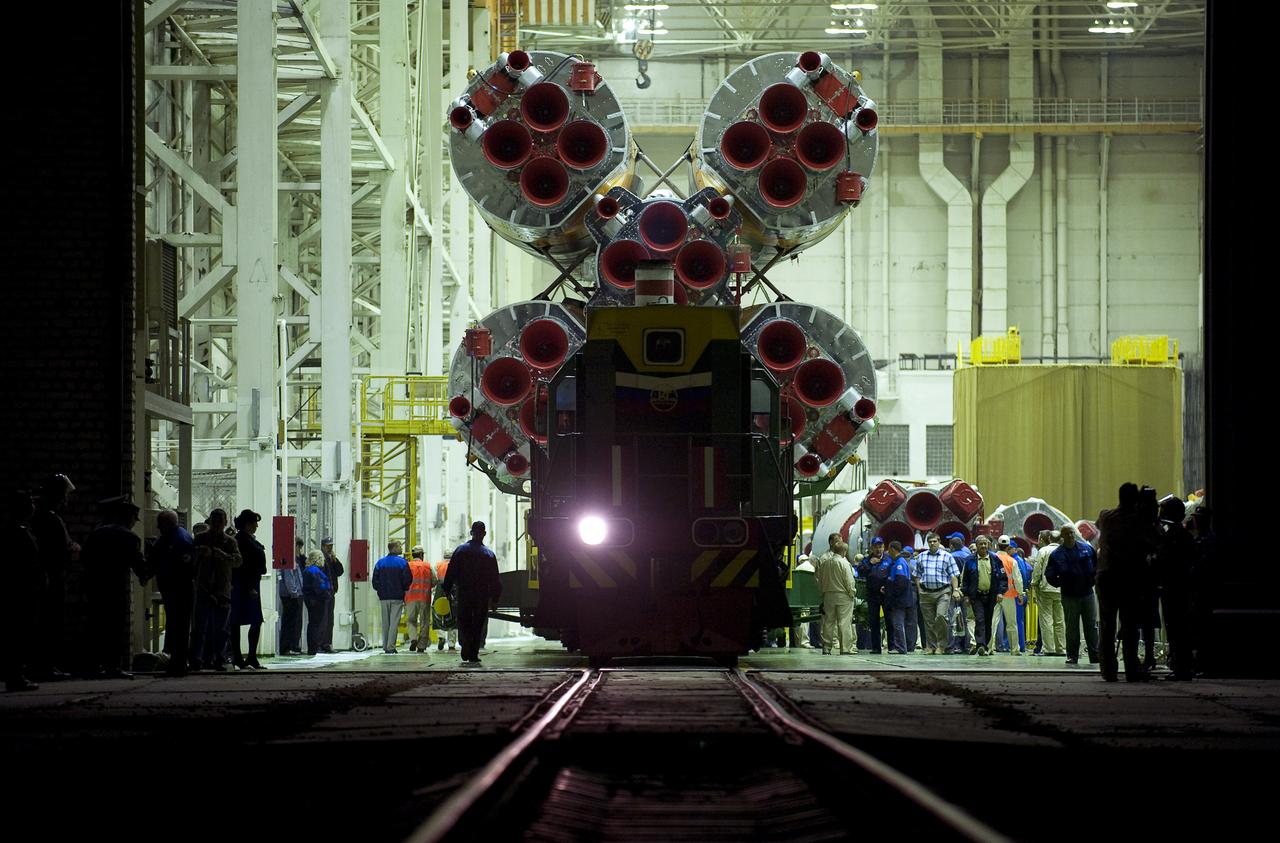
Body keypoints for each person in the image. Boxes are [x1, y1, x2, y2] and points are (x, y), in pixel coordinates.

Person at [1095, 483, 1155, 681]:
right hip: (1129, 577)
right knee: (1129, 626)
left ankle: (1108, 670)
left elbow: (1100, 522)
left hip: (1106, 576)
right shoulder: (1139, 520)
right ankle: (1131, 669)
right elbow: (1151, 541)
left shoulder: (1106, 517)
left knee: (1107, 625)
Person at [81, 496, 147, 679]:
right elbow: (138, 564)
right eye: (134, 519)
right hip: (116, 587)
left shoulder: (97, 532)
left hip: (95, 586)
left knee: (96, 625)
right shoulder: (129, 537)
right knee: (115, 626)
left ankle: (92, 665)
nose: (134, 523)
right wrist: (145, 576)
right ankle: (112, 666)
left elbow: (84, 558)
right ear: (130, 518)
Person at [30, 473, 78, 680]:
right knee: (50, 623)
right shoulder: (50, 518)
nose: (66, 499)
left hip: (48, 577)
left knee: (47, 622)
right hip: (52, 578)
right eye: (64, 495)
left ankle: (45, 665)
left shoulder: (42, 516)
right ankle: (46, 667)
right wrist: (73, 549)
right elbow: (59, 548)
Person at [441, 522, 502, 665]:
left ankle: (465, 644)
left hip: (465, 593)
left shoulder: (460, 551)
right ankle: (473, 653)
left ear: (471, 532)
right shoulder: (488, 554)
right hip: (482, 595)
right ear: (484, 534)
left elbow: (451, 571)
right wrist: (495, 598)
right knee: (478, 622)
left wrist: (447, 589)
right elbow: (495, 579)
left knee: (464, 620)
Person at [2, 490, 44, 691]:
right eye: (30, 504)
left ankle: (16, 673)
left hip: (22, 589)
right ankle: (15, 676)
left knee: (19, 633)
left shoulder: (16, 529)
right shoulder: (17, 531)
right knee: (18, 633)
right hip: (21, 591)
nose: (34, 508)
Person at [191, 509, 242, 671]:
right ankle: (197, 660)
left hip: (221, 589)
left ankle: (218, 658)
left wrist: (221, 555)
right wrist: (199, 555)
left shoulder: (230, 542)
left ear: (225, 522)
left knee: (221, 629)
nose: (217, 524)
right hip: (204, 587)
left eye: (220, 521)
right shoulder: (200, 539)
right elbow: (191, 561)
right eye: (215, 521)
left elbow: (238, 561)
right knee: (200, 627)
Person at [146, 510, 196, 676]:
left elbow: (181, 567)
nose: (158, 528)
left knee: (179, 626)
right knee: (178, 626)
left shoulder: (178, 541)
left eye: (160, 524)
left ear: (167, 524)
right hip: (178, 590)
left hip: (179, 590)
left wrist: (146, 573)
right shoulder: (177, 537)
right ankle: (178, 663)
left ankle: (178, 664)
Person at [1046, 524, 1102, 670]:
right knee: (1072, 628)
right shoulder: (1056, 554)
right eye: (1067, 533)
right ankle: (1072, 656)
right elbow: (1050, 574)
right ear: (1062, 536)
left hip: (1087, 594)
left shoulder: (1087, 548)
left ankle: (1095, 655)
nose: (1071, 535)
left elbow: (1097, 566)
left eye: (1072, 532)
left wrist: (1093, 580)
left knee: (1091, 626)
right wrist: (1061, 583)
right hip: (1069, 596)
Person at [1155, 497, 1196, 680]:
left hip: (1173, 586)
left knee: (1175, 627)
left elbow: (1164, 559)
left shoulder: (1171, 535)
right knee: (1178, 627)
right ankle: (1181, 666)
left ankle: (1181, 667)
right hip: (1180, 586)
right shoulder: (1183, 534)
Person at [913, 532, 961, 655]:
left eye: (935, 541)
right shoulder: (921, 556)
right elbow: (917, 575)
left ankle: (941, 645)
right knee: (928, 621)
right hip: (925, 592)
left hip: (943, 592)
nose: (932, 543)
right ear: (928, 543)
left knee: (940, 617)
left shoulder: (947, 556)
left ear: (939, 542)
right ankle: (931, 646)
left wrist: (955, 590)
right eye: (930, 542)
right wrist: (919, 589)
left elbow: (954, 575)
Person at [229, 510, 266, 670]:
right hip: (245, 585)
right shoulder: (242, 541)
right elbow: (244, 566)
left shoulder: (243, 539)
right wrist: (249, 586)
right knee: (243, 620)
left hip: (246, 584)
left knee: (242, 620)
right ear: (247, 524)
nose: (256, 525)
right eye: (254, 522)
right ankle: (244, 656)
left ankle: (244, 656)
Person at [961, 535, 1007, 657]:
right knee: (979, 619)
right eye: (980, 544)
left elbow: (1003, 578)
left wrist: (1000, 592)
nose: (983, 546)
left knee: (988, 621)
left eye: (985, 544)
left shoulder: (995, 559)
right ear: (976, 546)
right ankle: (980, 645)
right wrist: (965, 595)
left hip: (991, 596)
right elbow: (965, 580)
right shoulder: (969, 560)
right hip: (976, 596)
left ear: (988, 545)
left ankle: (985, 646)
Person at [815, 533, 856, 655]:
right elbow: (849, 581)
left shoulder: (825, 562)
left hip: (828, 595)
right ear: (844, 552)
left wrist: (823, 594)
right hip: (843, 596)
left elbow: (819, 580)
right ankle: (845, 648)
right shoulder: (844, 563)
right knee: (844, 622)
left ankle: (826, 648)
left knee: (828, 622)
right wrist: (852, 593)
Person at [372, 540, 413, 654]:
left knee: (386, 622)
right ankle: (391, 647)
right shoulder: (402, 563)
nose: (401, 548)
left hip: (383, 597)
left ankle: (385, 645)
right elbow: (408, 579)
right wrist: (403, 589)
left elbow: (375, 581)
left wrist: (380, 590)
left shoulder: (380, 563)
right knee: (394, 622)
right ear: (394, 548)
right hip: (397, 597)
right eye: (399, 546)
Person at [1030, 530, 1066, 656]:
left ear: (1049, 539)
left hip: (1045, 588)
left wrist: (1034, 583)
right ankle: (1061, 649)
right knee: (1060, 620)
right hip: (1061, 590)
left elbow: (1038, 569)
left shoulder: (1043, 551)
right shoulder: (1064, 551)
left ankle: (1049, 649)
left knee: (1046, 619)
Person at [854, 537, 889, 654]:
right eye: (876, 546)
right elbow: (860, 571)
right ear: (872, 548)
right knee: (874, 622)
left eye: (880, 546)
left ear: (883, 547)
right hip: (872, 595)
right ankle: (876, 648)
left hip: (885, 595)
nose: (878, 549)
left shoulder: (888, 559)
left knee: (889, 621)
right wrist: (869, 563)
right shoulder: (866, 560)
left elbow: (893, 574)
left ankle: (892, 646)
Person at [992, 536, 1025, 654]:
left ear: (997, 545)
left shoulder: (992, 558)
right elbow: (1018, 580)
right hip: (1010, 596)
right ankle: (1014, 649)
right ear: (1008, 547)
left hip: (994, 596)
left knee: (993, 622)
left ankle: (990, 647)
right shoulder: (1012, 561)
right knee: (1012, 623)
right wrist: (1020, 594)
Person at [404, 545, 436, 652]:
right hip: (424, 598)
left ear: (413, 555)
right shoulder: (427, 566)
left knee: (410, 620)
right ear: (422, 555)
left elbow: (403, 580)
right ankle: (421, 645)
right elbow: (434, 580)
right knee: (425, 621)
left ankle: (413, 638)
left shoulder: (407, 565)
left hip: (410, 598)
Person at [883, 542, 914, 654]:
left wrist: (891, 594)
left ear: (892, 549)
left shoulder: (899, 563)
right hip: (899, 598)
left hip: (899, 600)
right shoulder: (897, 562)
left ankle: (900, 647)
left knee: (898, 623)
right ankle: (900, 646)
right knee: (898, 623)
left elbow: (901, 582)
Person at [946, 533, 973, 653]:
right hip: (967, 591)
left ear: (952, 545)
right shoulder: (969, 555)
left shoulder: (951, 557)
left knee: (955, 618)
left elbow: (952, 575)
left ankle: (955, 644)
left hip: (954, 591)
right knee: (967, 619)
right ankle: (967, 644)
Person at [301, 550, 331, 655]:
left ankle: (312, 647)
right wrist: (326, 595)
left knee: (313, 623)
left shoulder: (308, 570)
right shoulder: (315, 571)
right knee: (316, 624)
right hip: (318, 601)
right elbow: (320, 586)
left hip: (311, 600)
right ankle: (314, 647)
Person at [278, 547, 305, 656]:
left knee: (293, 622)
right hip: (291, 596)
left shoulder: (294, 560)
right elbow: (289, 578)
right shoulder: (288, 560)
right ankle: (286, 647)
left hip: (294, 594)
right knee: (289, 622)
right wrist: (294, 592)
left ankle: (292, 646)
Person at [319, 537, 344, 654]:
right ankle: (322, 644)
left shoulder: (331, 558)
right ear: (323, 546)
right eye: (327, 546)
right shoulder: (320, 558)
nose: (329, 548)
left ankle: (327, 643)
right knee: (323, 619)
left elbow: (340, 571)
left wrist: (335, 559)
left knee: (329, 620)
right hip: (323, 593)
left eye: (331, 546)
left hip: (331, 592)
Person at [432, 549, 458, 651]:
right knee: (452, 616)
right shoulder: (455, 566)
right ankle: (451, 644)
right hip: (452, 592)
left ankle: (441, 637)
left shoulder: (438, 565)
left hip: (439, 592)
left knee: (438, 614)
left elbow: (434, 579)